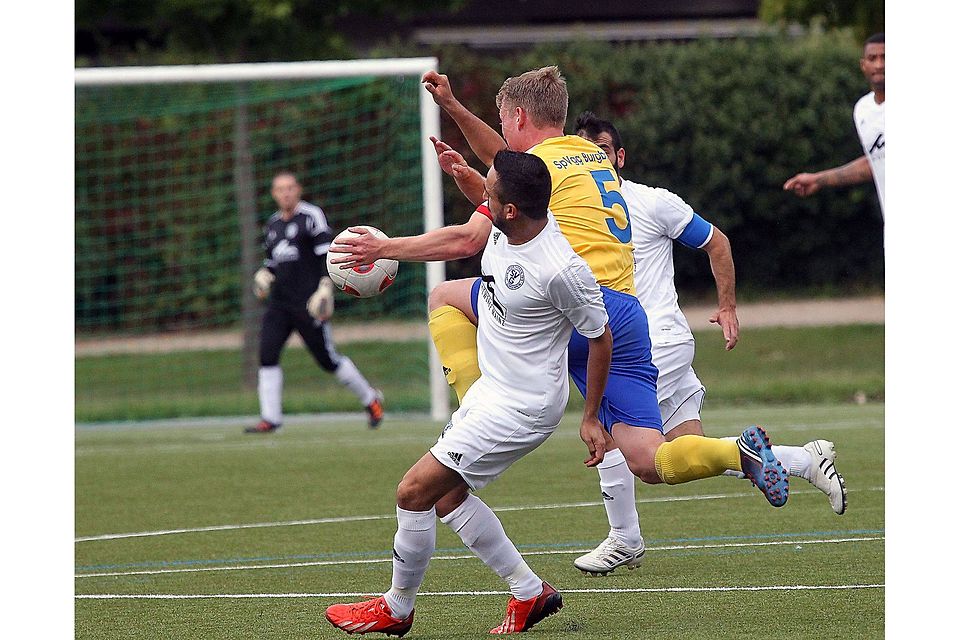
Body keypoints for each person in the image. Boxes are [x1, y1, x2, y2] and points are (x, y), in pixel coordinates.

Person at [330, 67, 790, 512]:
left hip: (565, 307)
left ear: (518, 119)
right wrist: (452, 109)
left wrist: (385, 246)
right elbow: (505, 165)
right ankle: (738, 452)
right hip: (626, 315)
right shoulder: (587, 155)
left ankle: (477, 405)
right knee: (649, 460)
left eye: (503, 120)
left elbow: (470, 237)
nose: (502, 135)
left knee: (445, 297)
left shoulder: (537, 171)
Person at [325, 150, 612, 636]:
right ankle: (528, 592)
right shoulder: (508, 222)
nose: (484, 191)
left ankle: (397, 608)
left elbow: (600, 336)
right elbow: (470, 224)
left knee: (413, 492)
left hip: (523, 407)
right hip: (494, 391)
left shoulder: (560, 269)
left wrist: (589, 418)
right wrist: (465, 176)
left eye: (489, 189)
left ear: (510, 210)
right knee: (447, 496)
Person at [570, 111, 848, 575]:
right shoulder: (573, 213)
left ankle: (625, 538)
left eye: (601, 147)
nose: (593, 156)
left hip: (650, 343)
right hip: (653, 345)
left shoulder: (653, 202)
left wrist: (729, 307)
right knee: (688, 449)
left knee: (620, 440)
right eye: (583, 150)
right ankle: (804, 459)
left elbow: (716, 241)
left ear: (619, 156)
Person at [246, 170, 384, 433]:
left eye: (290, 187)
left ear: (298, 190)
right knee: (266, 354)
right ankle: (271, 418)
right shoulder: (272, 224)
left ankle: (371, 399)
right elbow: (272, 262)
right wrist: (265, 274)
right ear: (274, 194)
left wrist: (324, 287)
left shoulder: (311, 216)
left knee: (327, 359)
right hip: (279, 303)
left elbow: (327, 255)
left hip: (309, 302)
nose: (286, 193)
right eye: (280, 189)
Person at [784, 32, 885, 215]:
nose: (879, 64)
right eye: (873, 58)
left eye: (885, 57)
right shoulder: (863, 109)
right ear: (863, 65)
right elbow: (875, 162)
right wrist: (819, 179)